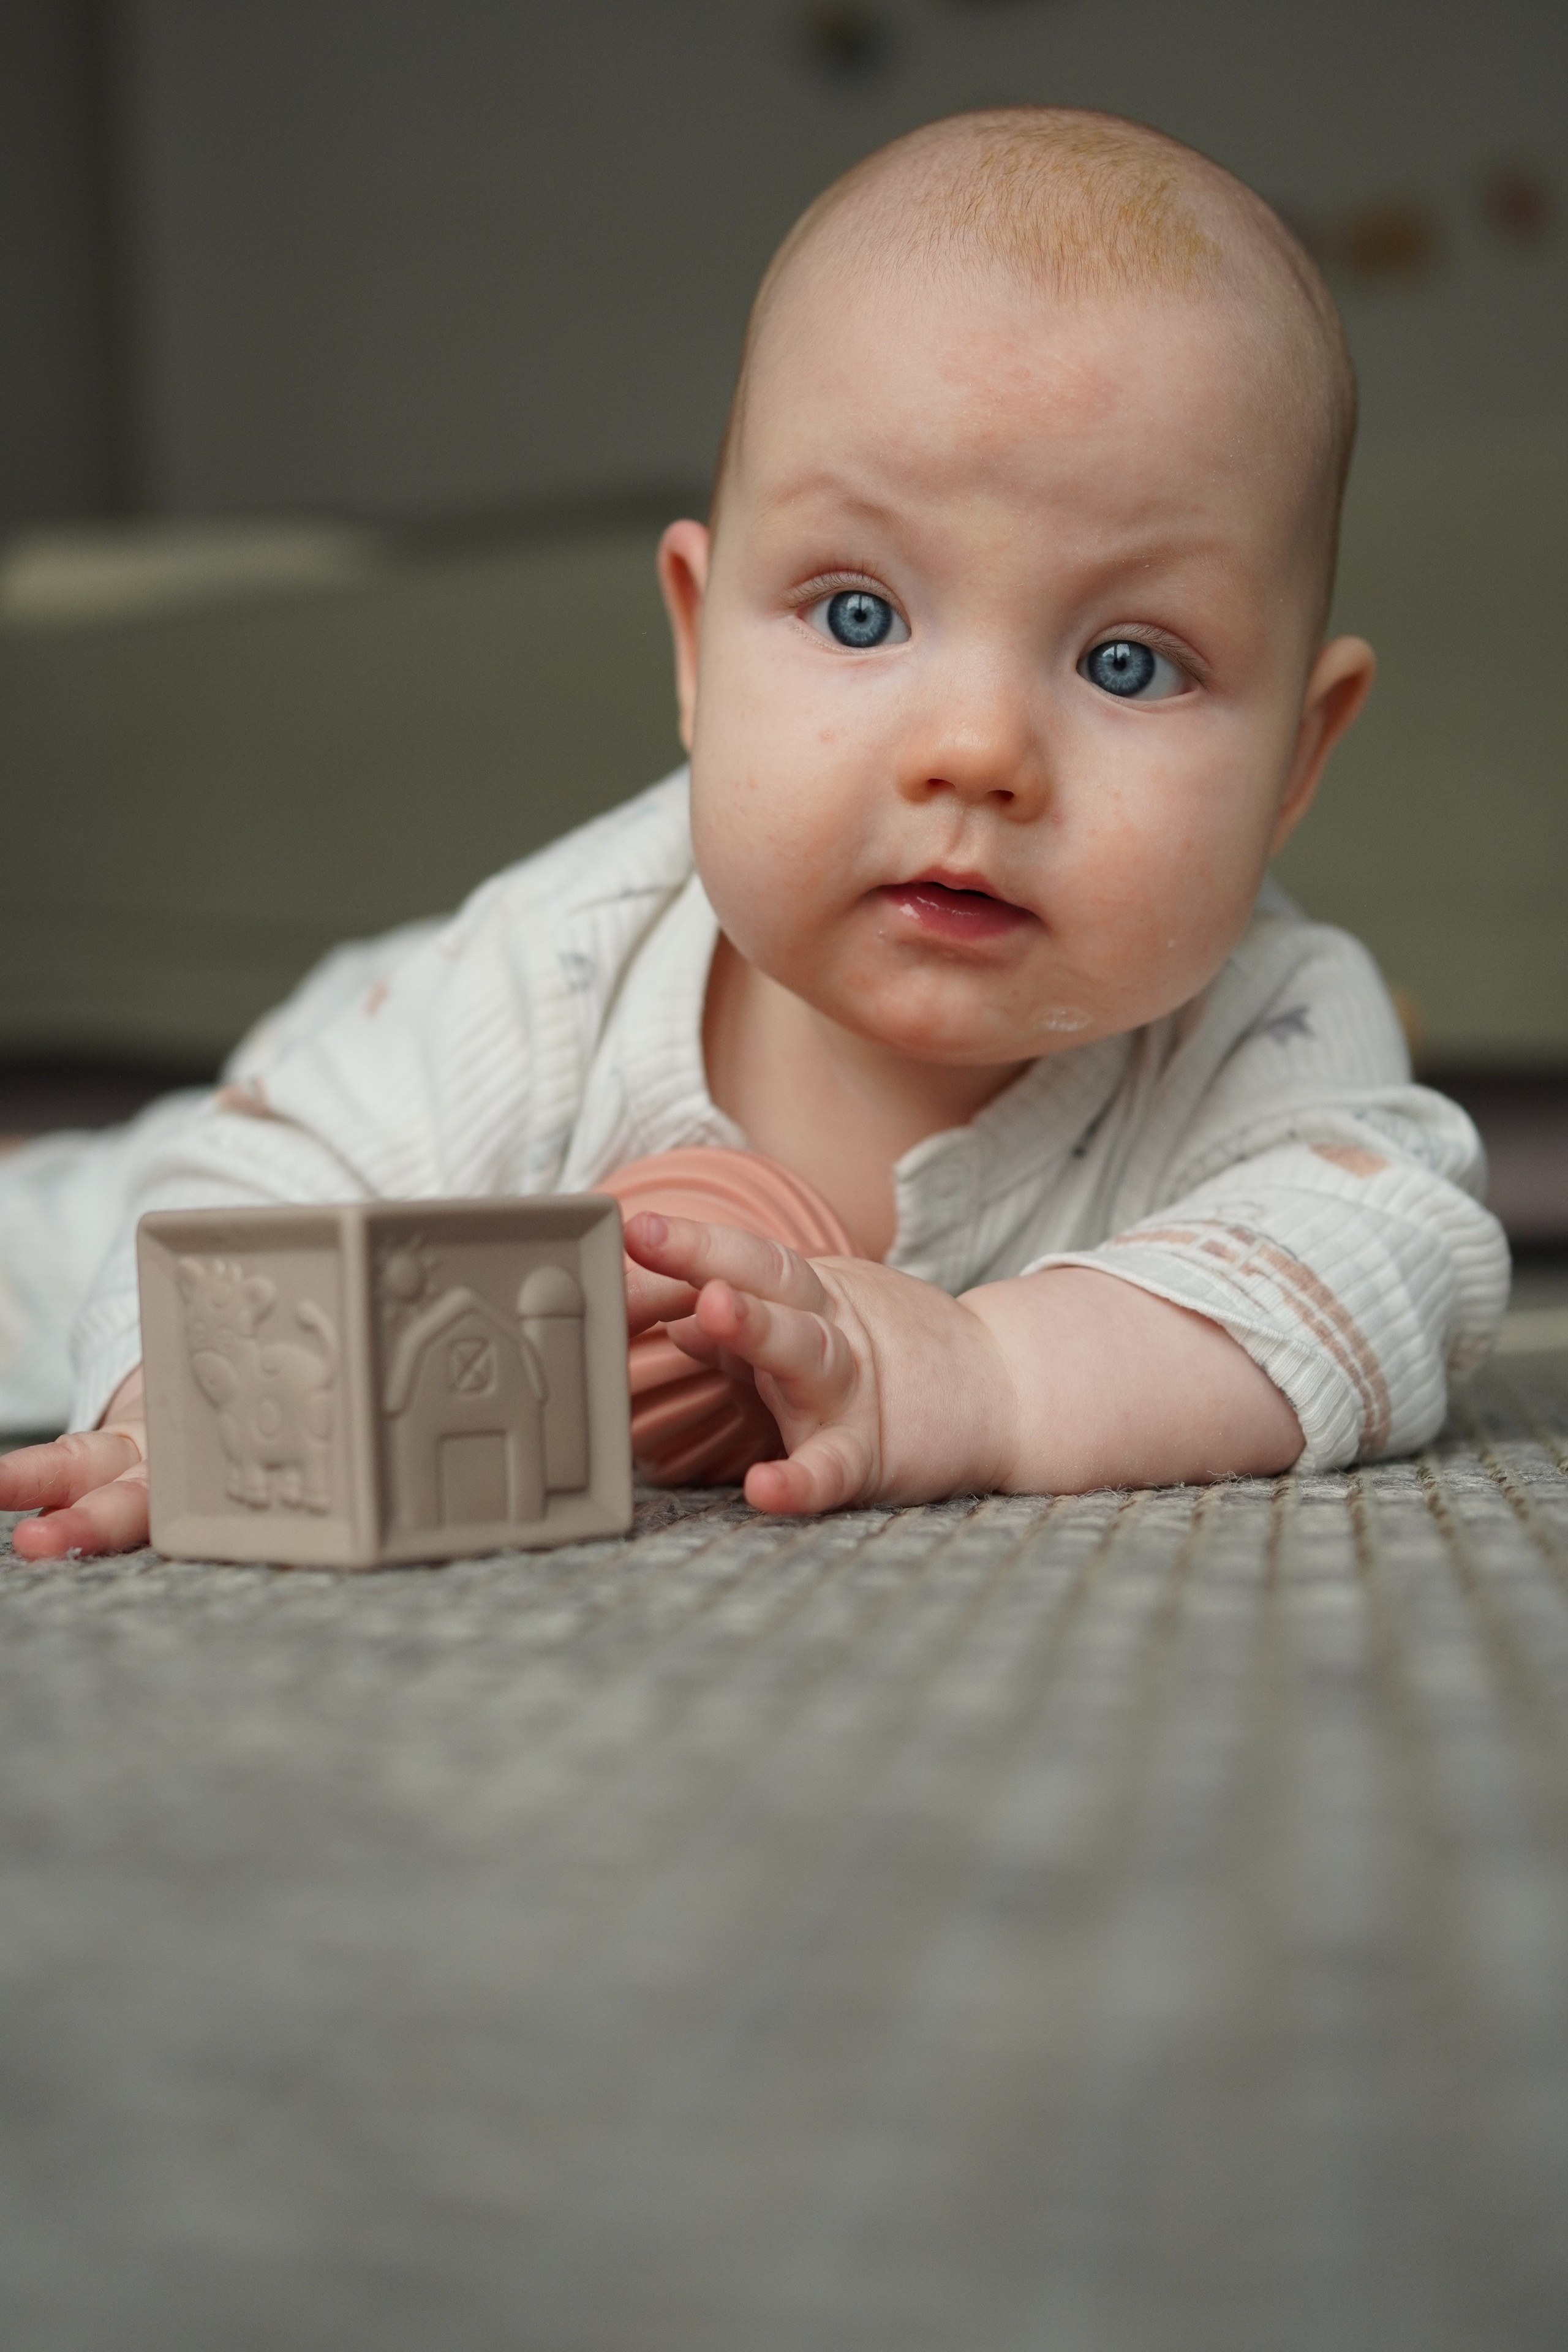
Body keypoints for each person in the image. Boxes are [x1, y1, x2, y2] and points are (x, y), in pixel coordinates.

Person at [0, 106, 1507, 1561]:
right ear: (693, 647)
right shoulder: (554, 970)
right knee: (57, 1245)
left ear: (1296, 759)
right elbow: (245, 1191)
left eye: (1127, 661)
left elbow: (1388, 1270)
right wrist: (169, 1413)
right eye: (860, 614)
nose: (975, 753)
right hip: (338, 1064)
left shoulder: (1269, 1026)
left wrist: (986, 1377)